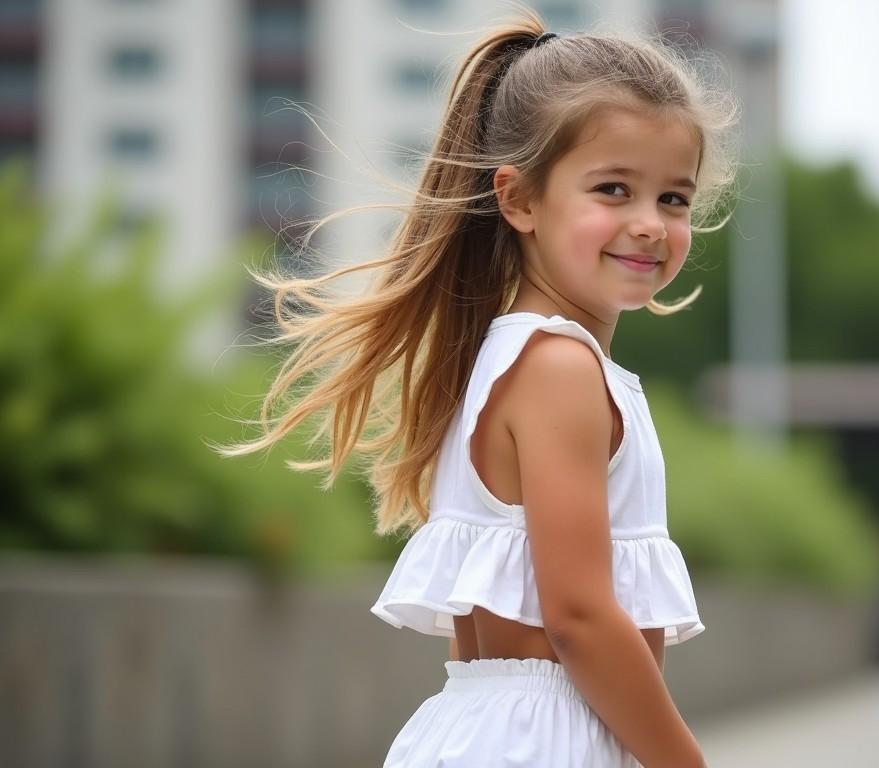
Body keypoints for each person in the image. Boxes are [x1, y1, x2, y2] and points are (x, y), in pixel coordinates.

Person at [218, 7, 739, 766]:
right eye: (614, 189)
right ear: (520, 199)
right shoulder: (558, 367)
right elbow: (581, 618)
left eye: (674, 198)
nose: (651, 224)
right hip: (546, 735)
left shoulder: (522, 356)